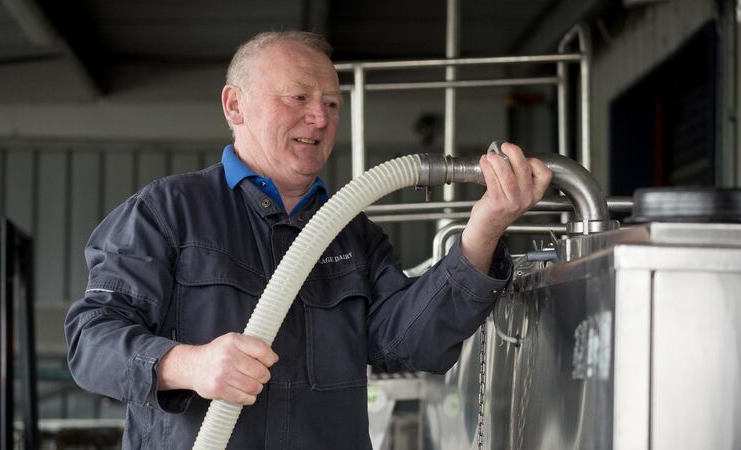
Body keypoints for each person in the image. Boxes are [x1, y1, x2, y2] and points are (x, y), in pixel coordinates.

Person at [65, 31, 552, 449]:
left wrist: (484, 229)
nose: (319, 118)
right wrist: (186, 364)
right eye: (298, 98)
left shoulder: (354, 235)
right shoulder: (167, 213)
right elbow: (90, 340)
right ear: (235, 105)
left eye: (331, 103)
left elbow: (411, 346)